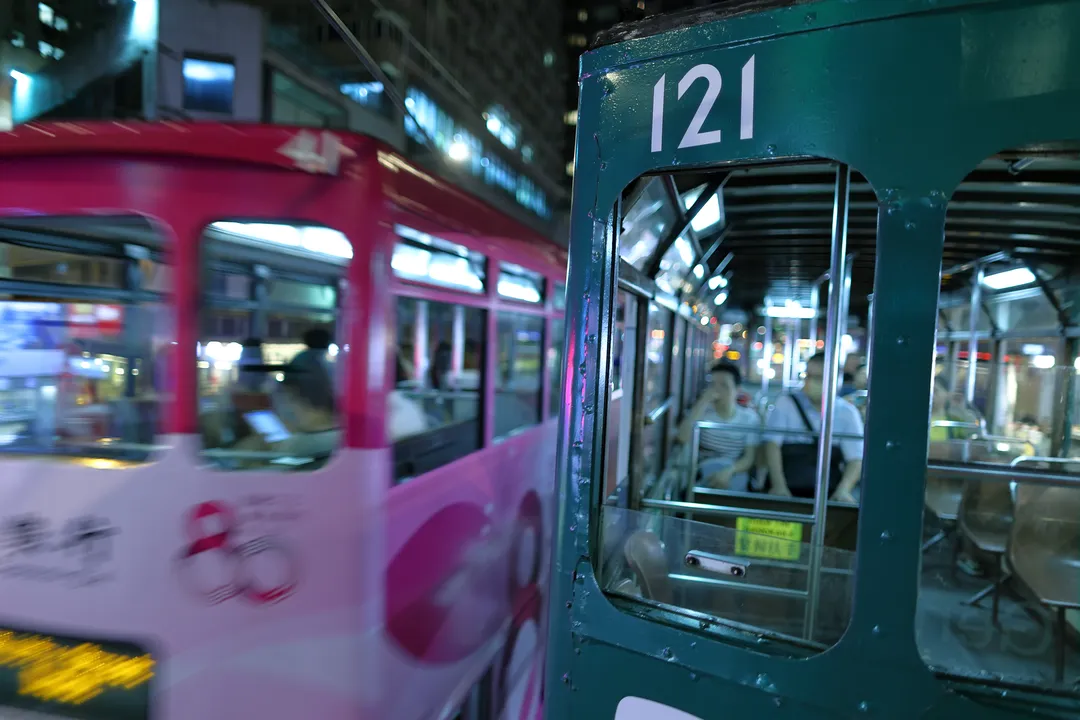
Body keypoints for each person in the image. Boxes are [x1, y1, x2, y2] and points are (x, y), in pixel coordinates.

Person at [763, 352, 864, 503]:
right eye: (808, 376)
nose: (810, 382)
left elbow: (855, 459)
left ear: (833, 380)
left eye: (818, 378)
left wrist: (843, 490)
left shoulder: (847, 413)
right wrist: (779, 486)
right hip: (788, 486)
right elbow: (771, 445)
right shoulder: (785, 403)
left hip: (828, 491)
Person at [678, 362, 760, 491]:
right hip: (702, 469)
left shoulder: (749, 418)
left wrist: (728, 471)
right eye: (713, 385)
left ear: (737, 390)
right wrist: (703, 401)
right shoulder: (702, 412)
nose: (717, 390)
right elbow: (682, 437)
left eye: (724, 386)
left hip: (733, 469)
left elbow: (748, 458)